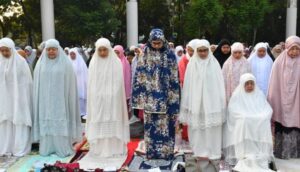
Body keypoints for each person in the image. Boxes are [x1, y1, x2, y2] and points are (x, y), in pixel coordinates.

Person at [79, 38, 129, 170]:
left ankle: (114, 149)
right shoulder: (94, 62)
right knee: (99, 121)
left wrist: (112, 94)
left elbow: (119, 83)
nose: (102, 53)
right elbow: (91, 84)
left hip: (113, 99)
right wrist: (97, 95)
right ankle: (99, 150)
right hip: (98, 100)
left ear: (109, 49)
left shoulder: (116, 62)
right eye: (99, 50)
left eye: (104, 50)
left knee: (112, 120)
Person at [132, 28, 180, 160]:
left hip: (167, 98)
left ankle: (166, 153)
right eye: (154, 43)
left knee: (167, 128)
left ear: (163, 41)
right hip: (150, 99)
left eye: (159, 43)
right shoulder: (144, 54)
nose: (157, 45)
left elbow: (175, 77)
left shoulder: (170, 54)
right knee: (151, 128)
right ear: (150, 41)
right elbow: (139, 76)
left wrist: (174, 99)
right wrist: (139, 99)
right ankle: (152, 153)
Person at [179, 39, 226, 171]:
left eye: (205, 50)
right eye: (200, 50)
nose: (203, 53)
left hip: (212, 103)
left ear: (209, 51)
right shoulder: (192, 64)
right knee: (197, 129)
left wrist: (219, 101)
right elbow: (187, 87)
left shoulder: (214, 63)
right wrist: (189, 103)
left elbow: (219, 85)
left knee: (211, 129)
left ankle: (212, 151)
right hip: (196, 103)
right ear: (196, 51)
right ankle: (198, 151)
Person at [33, 39, 82, 157]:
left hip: (61, 100)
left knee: (60, 120)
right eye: (48, 49)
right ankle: (47, 147)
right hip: (45, 101)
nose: (51, 52)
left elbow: (70, 84)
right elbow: (37, 86)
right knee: (47, 120)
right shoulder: (40, 65)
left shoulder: (66, 64)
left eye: (53, 49)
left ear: (58, 50)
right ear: (45, 50)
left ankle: (62, 148)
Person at [223, 73, 274, 172]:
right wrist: (243, 116)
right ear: (242, 85)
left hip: (256, 119)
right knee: (244, 121)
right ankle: (245, 152)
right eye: (247, 84)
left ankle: (260, 152)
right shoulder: (237, 95)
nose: (250, 86)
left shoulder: (259, 94)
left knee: (262, 120)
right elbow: (232, 110)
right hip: (245, 120)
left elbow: (267, 109)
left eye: (252, 83)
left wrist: (262, 116)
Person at [268, 35, 300, 159]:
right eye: (292, 49)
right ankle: (281, 152)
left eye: (297, 49)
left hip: (297, 101)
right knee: (282, 123)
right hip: (281, 100)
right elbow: (274, 84)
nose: (294, 52)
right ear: (287, 48)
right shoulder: (279, 62)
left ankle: (295, 152)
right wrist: (273, 101)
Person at [0, 38, 32, 157]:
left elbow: (27, 81)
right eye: (2, 51)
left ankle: (18, 147)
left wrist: (22, 97)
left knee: (19, 120)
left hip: (19, 97)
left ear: (12, 49)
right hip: (4, 99)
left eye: (6, 50)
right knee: (6, 120)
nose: (4, 53)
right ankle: (6, 146)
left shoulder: (20, 62)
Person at [69, 48, 88, 119]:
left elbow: (85, 74)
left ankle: (82, 113)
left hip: (80, 83)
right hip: (72, 83)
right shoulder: (68, 62)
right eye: (71, 54)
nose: (72, 55)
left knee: (81, 97)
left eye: (73, 54)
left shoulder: (81, 63)